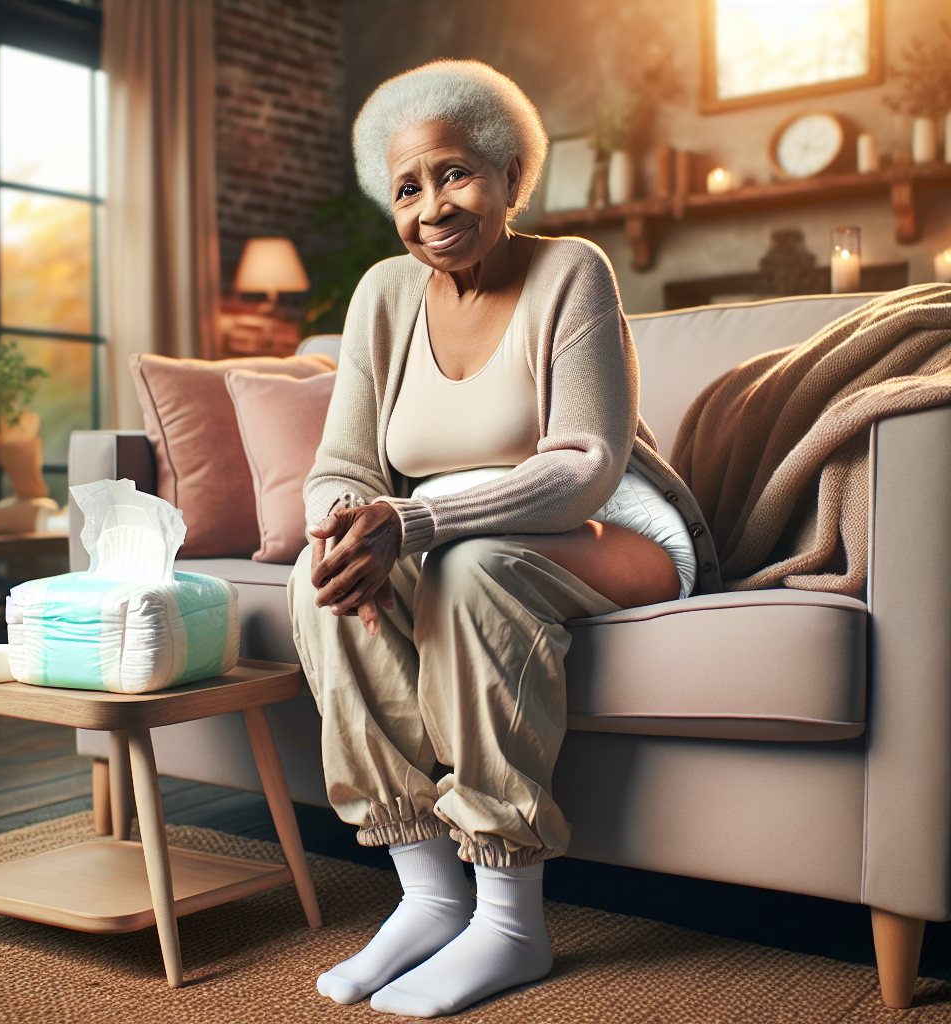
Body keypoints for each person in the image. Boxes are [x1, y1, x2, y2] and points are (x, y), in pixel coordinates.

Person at [287, 59, 698, 1018]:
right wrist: (346, 526)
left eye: (457, 172)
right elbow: (342, 461)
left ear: (513, 174)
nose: (433, 204)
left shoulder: (571, 273)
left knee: (470, 572)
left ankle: (512, 920)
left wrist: (414, 518)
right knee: (332, 583)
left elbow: (586, 463)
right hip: (453, 537)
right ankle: (429, 896)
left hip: (610, 530)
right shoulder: (384, 297)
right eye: (408, 186)